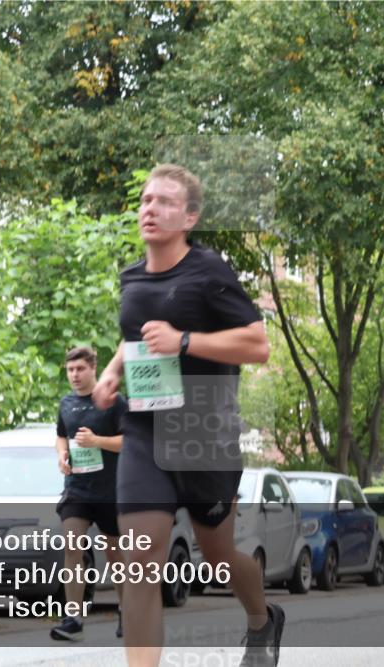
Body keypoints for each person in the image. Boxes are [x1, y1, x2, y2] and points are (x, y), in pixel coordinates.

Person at [92, 164, 281, 666]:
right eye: (146, 200)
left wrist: (185, 341)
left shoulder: (209, 271)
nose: (150, 208)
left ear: (190, 217)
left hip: (203, 432)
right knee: (139, 564)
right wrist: (112, 371)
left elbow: (258, 345)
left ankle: (262, 619)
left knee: (218, 558)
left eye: (165, 202)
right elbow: (135, 337)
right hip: (144, 430)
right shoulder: (132, 276)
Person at [52, 346, 128, 641]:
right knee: (72, 546)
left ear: (93, 368)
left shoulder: (113, 401)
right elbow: (61, 435)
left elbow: (129, 441)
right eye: (70, 370)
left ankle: (126, 610)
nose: (74, 375)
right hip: (77, 489)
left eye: (80, 369)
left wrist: (97, 441)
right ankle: (73, 618)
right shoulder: (66, 404)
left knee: (114, 554)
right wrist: (61, 456)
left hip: (110, 489)